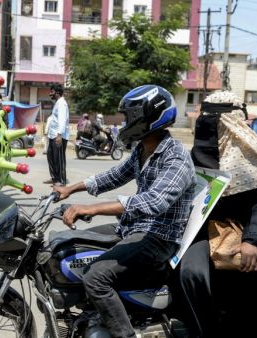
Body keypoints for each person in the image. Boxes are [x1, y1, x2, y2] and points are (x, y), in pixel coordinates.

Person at [53, 85, 196, 338]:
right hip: (133, 228)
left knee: (96, 277)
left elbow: (153, 202)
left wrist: (92, 208)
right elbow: (115, 175)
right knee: (65, 246)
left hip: (159, 238)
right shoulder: (144, 149)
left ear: (147, 117)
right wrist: (71, 189)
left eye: (128, 117)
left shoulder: (176, 157)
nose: (124, 123)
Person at [177, 91, 257, 338]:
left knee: (252, 297)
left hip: (244, 235)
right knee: (189, 273)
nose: (206, 125)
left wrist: (251, 241)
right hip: (204, 230)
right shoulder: (197, 153)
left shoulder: (248, 156)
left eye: (212, 119)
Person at [44, 83, 70, 186]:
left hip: (59, 136)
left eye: (52, 91)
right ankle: (54, 178)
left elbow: (62, 120)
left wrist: (59, 135)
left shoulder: (62, 103)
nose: (50, 94)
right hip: (52, 135)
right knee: (51, 157)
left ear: (57, 92)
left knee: (59, 159)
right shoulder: (57, 103)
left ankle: (60, 181)